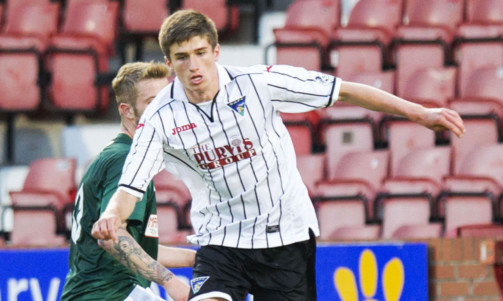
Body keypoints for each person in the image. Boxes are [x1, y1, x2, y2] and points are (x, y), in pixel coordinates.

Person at [91, 10, 465, 301]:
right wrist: (110, 216)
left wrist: (421, 113)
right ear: (169, 63)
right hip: (221, 239)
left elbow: (345, 91)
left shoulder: (259, 83)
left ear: (216, 51)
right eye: (182, 57)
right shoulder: (159, 117)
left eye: (201, 53)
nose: (193, 66)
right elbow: (130, 187)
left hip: (286, 232)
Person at [62, 62, 195, 301]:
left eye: (167, 99)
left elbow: (141, 249)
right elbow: (113, 238)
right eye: (152, 102)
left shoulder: (121, 155)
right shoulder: (124, 159)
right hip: (107, 294)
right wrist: (171, 282)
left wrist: (198, 258)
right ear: (127, 111)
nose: (164, 109)